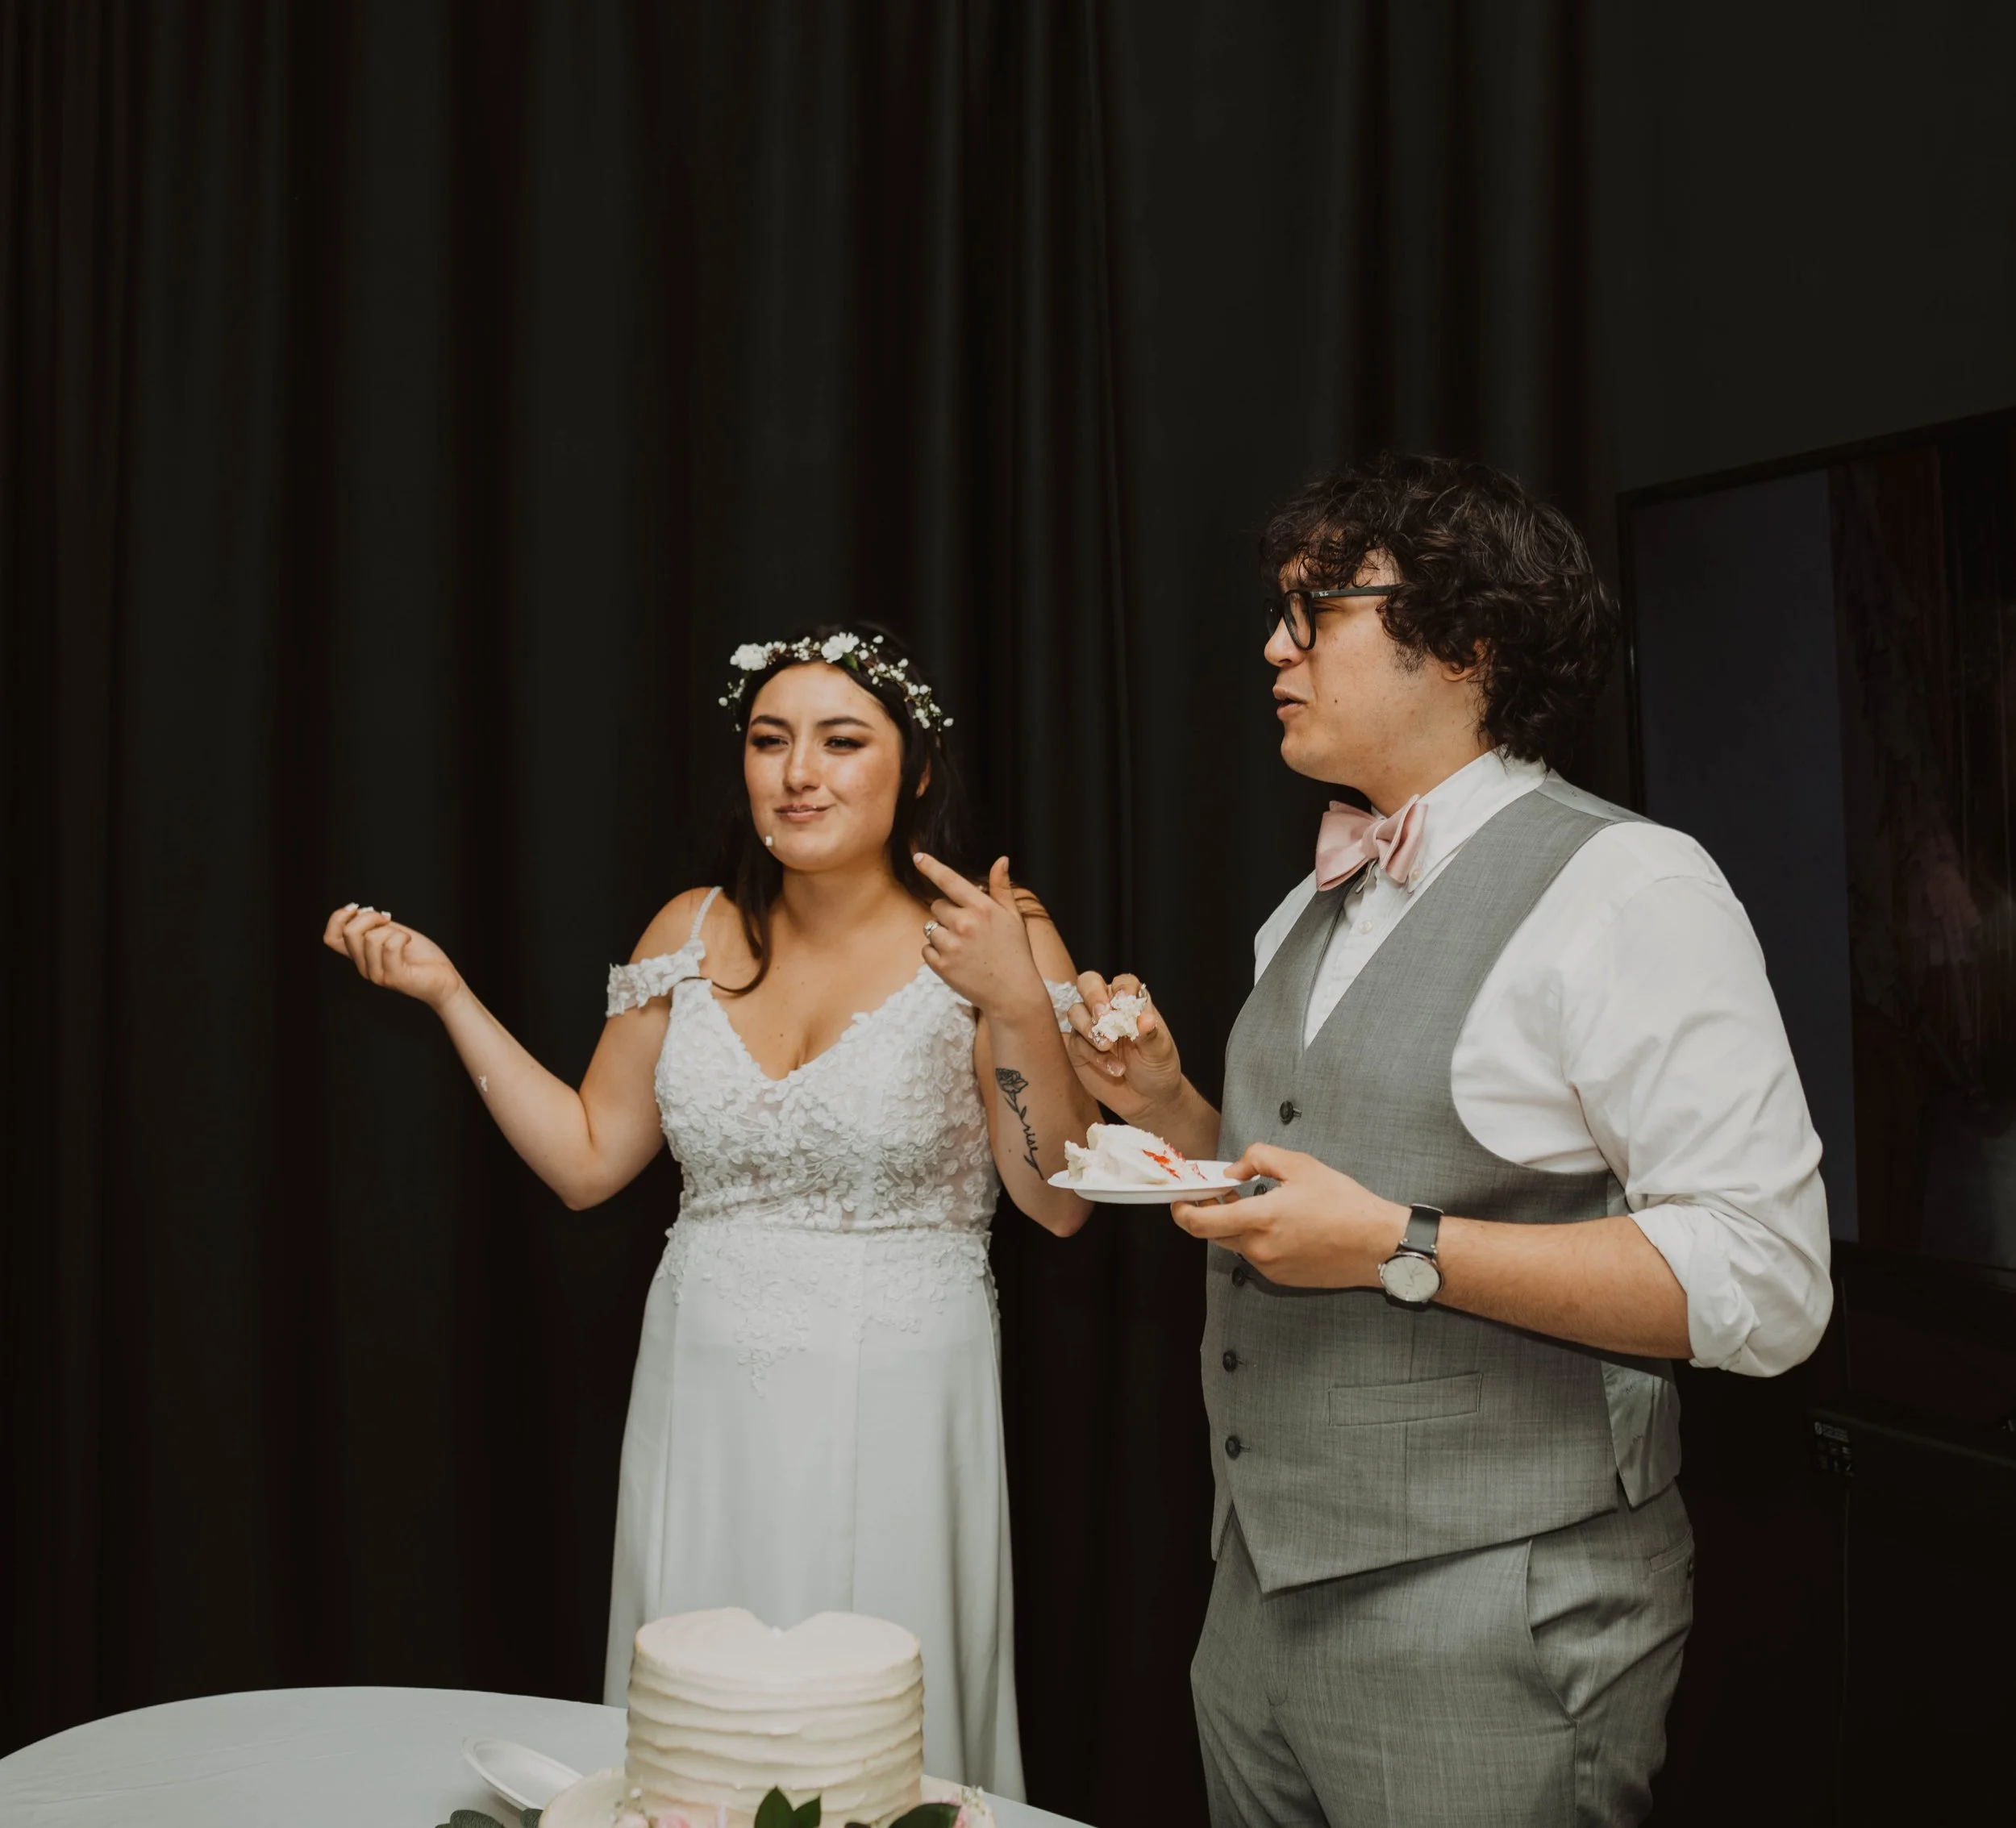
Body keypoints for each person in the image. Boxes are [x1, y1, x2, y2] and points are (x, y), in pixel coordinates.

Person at [1064, 454, 1832, 1826]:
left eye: (1319, 611)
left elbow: (1769, 1283)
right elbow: (1289, 1182)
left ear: (1469, 643)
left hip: (1499, 1619)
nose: (1273, 646)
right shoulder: (1311, 901)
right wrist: (1169, 1107)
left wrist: (1398, 1248)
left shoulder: (1631, 886)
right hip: (1256, 1605)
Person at [323, 623, 1097, 1797]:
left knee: (873, 1730)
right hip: (703, 1388)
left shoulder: (994, 936)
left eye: (842, 741)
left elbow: (1054, 1202)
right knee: (693, 1731)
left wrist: (1017, 1007)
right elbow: (589, 1160)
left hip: (900, 1388)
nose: (800, 772)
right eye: (771, 740)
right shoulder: (686, 932)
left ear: (918, 770)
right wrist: (446, 993)